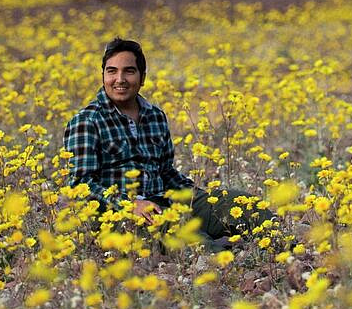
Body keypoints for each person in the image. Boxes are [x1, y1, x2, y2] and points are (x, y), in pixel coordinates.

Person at [63, 37, 268, 246]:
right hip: (117, 217)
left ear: (142, 78)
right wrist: (130, 204)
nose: (120, 79)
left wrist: (200, 199)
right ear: (103, 75)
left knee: (236, 202)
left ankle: (285, 247)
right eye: (112, 71)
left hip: (164, 202)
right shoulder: (86, 121)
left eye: (129, 71)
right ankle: (222, 260)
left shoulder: (155, 116)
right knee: (190, 240)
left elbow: (165, 172)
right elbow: (81, 184)